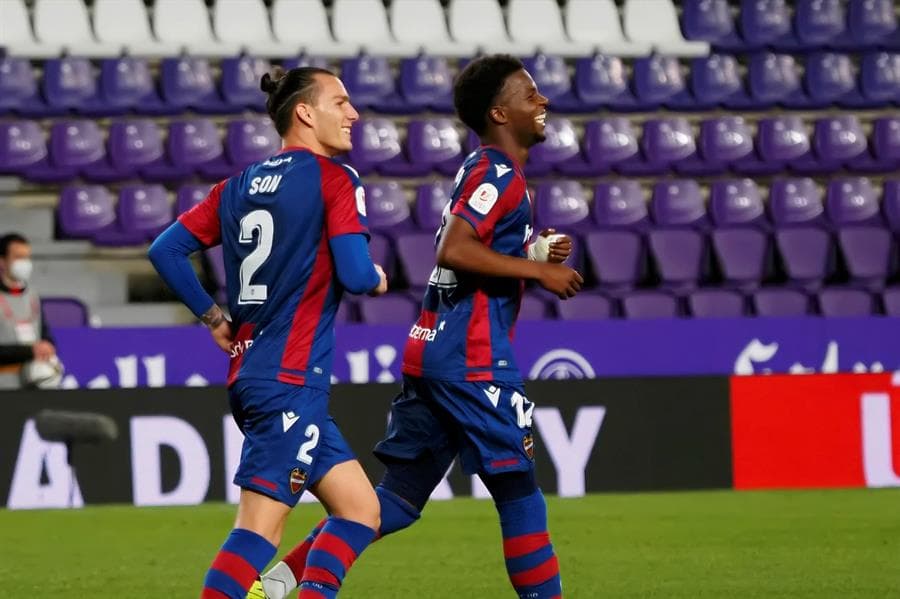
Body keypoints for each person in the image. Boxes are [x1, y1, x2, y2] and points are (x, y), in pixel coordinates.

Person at [258, 54, 582, 599]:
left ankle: (277, 584)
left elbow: (471, 247)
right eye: (530, 95)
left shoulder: (492, 175)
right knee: (521, 494)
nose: (542, 102)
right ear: (500, 113)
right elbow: (453, 249)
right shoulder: (495, 172)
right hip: (473, 359)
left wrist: (528, 248)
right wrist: (539, 271)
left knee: (396, 502)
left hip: (434, 352)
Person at [148, 66, 388, 599]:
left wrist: (213, 319)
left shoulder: (236, 188)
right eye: (341, 102)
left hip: (258, 372)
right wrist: (375, 277)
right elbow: (353, 273)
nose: (354, 113)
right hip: (289, 376)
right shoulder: (335, 179)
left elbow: (165, 250)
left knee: (359, 511)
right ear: (305, 112)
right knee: (258, 532)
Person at [0, 232, 58, 390]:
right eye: (18, 257)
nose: (24, 262)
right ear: (2, 261)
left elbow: (44, 333)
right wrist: (29, 351)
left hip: (32, 383)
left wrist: (48, 346)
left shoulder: (32, 294)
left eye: (27, 257)